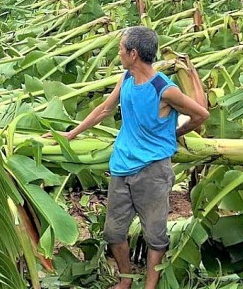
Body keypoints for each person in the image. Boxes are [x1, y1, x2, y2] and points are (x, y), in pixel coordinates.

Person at [54, 26, 209, 289]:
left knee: (155, 234)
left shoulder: (164, 89)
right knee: (114, 232)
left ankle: (150, 284)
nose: (118, 52)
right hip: (121, 167)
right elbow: (105, 109)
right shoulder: (126, 78)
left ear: (133, 53)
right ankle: (124, 279)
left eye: (121, 48)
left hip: (153, 171)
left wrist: (175, 133)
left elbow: (201, 114)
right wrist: (71, 134)